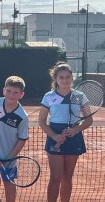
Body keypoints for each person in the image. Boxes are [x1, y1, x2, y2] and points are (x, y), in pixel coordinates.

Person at [38, 62, 93, 202]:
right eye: (61, 77)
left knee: (67, 177)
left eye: (68, 77)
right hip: (54, 135)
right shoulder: (49, 97)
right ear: (55, 78)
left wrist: (76, 129)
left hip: (74, 138)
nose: (65, 80)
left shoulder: (79, 96)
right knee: (55, 177)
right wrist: (54, 136)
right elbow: (42, 121)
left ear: (72, 78)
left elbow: (88, 120)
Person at [0, 76, 29, 202]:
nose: (11, 95)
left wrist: (9, 157)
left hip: (10, 157)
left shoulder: (22, 116)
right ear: (4, 90)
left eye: (15, 93)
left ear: (21, 94)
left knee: (9, 183)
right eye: (8, 91)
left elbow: (22, 140)